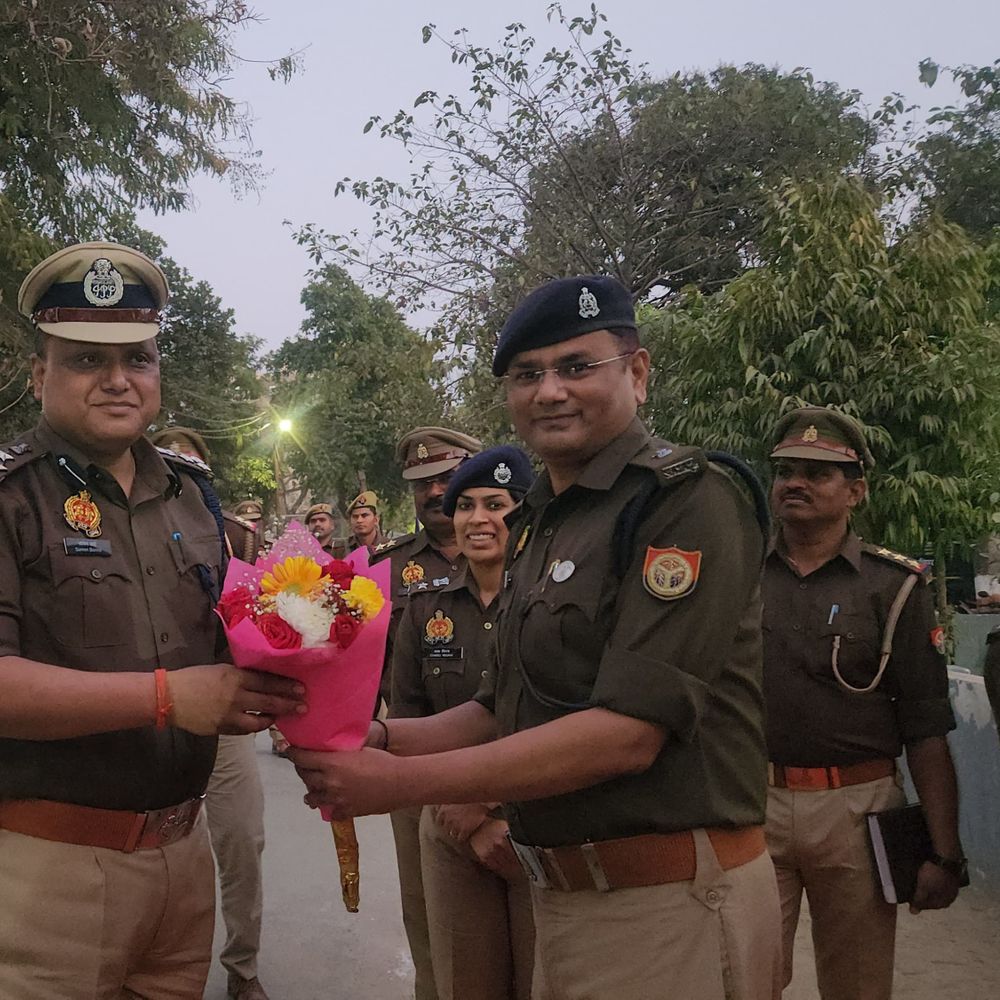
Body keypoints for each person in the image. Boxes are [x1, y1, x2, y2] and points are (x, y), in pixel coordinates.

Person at [293, 275, 781, 1000]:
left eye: (577, 367)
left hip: (667, 902)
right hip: (568, 898)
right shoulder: (548, 520)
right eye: (528, 375)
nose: (550, 391)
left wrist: (398, 784)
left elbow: (629, 732)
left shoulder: (687, 502)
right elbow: (500, 708)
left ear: (637, 374)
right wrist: (377, 741)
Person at [0, 242, 304, 1000]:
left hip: (183, 858)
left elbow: (227, 642)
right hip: (50, 868)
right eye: (84, 360)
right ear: (40, 375)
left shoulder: (193, 495)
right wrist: (167, 698)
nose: (117, 381)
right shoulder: (11, 496)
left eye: (137, 358)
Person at [762, 406, 964, 1000]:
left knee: (857, 984)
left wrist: (944, 853)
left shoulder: (892, 587)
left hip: (857, 810)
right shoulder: (739, 576)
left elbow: (926, 726)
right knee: (740, 976)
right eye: (787, 470)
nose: (796, 482)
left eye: (818, 473)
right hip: (751, 801)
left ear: (855, 491)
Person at [391, 446, 538, 1000]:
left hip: (535, 821)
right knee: (458, 975)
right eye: (466, 506)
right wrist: (460, 809)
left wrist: (495, 811)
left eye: (496, 505)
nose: (479, 520)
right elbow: (407, 712)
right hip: (448, 815)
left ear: (524, 515)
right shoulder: (428, 610)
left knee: (542, 976)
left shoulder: (550, 604)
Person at [148, 428, 272, 1000]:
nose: (184, 479)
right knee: (156, 852)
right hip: (149, 718)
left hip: (223, 719)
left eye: (193, 468)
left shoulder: (237, 541)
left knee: (243, 840)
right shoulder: (127, 533)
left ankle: (242, 969)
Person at [370, 425, 481, 1000]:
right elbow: (364, 667)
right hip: (415, 759)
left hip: (515, 756)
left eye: (446, 477)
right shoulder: (386, 570)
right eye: (421, 483)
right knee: (429, 914)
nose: (435, 491)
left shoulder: (530, 550)